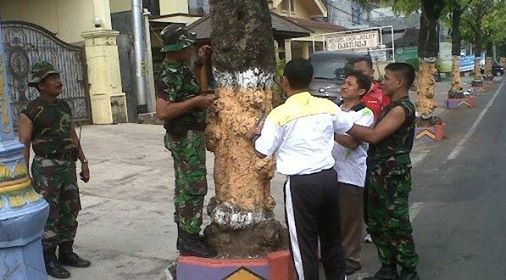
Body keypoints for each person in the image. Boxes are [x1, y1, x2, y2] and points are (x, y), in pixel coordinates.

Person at [247, 58, 354, 280]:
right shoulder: (327, 106)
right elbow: (347, 126)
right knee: (332, 240)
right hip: (328, 179)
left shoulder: (279, 114)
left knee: (303, 246)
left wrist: (252, 137)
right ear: (312, 80)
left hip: (301, 186)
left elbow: (262, 151)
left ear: (284, 81)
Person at [347, 63, 420, 280]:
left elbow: (374, 136)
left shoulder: (401, 109)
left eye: (387, 78)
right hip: (379, 172)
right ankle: (388, 267)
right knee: (377, 222)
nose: (382, 82)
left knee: (396, 224)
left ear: (399, 82)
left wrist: (341, 124)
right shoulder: (390, 106)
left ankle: (408, 270)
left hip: (393, 174)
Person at [19, 61, 91, 279]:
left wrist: (84, 161)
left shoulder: (63, 106)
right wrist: (26, 173)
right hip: (46, 167)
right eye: (52, 78)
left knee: (71, 208)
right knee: (51, 212)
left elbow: (72, 136)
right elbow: (24, 142)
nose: (58, 81)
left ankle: (66, 252)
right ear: (40, 84)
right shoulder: (30, 110)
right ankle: (48, 257)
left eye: (58, 77)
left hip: (67, 165)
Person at [155, 25, 217, 258]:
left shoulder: (181, 69)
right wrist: (197, 103)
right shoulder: (168, 74)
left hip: (191, 135)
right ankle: (189, 239)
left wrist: (201, 65)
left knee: (186, 187)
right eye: (188, 46)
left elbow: (199, 92)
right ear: (178, 48)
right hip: (184, 136)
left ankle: (186, 235)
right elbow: (163, 111)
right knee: (193, 187)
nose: (192, 48)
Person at [332, 71, 374, 276]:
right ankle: (334, 255)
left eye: (349, 84)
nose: (344, 86)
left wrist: (330, 130)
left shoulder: (365, 114)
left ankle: (351, 260)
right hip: (331, 172)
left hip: (351, 175)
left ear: (361, 91)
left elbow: (352, 142)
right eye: (344, 82)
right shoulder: (337, 110)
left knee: (350, 220)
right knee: (333, 218)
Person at [353, 56, 391, 121]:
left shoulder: (384, 92)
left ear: (372, 72)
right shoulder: (350, 93)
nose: (358, 76)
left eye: (362, 72)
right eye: (355, 73)